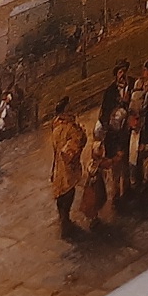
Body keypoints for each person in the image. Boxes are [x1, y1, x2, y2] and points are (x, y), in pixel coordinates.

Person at [49, 98, 85, 238]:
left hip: (58, 163)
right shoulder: (70, 126)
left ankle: (63, 219)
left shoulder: (55, 124)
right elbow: (79, 140)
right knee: (69, 190)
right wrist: (81, 132)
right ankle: (65, 222)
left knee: (60, 191)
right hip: (68, 163)